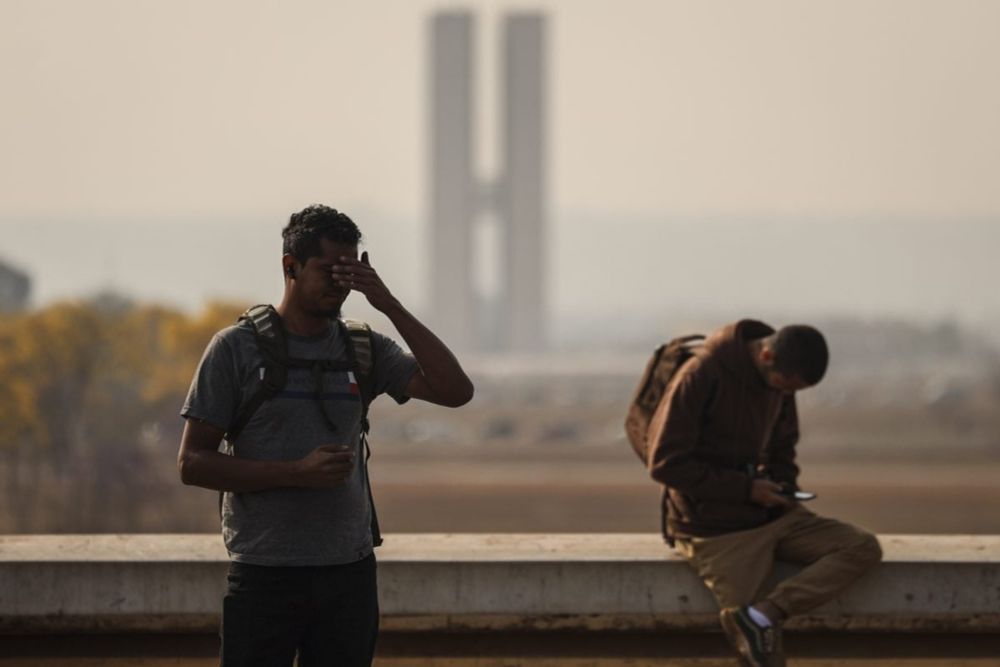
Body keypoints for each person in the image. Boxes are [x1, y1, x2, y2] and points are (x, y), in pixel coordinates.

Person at [177, 204, 474, 667]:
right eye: (328, 270)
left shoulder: (363, 348)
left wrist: (389, 305)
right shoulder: (235, 349)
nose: (341, 283)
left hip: (347, 577)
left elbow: (456, 391)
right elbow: (192, 463)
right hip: (264, 575)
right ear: (289, 267)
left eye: (349, 270)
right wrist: (295, 472)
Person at [647, 320, 881, 667]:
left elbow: (783, 446)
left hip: (769, 514)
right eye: (785, 386)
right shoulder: (700, 373)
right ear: (766, 354)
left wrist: (783, 487)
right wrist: (746, 489)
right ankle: (753, 621)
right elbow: (665, 464)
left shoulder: (780, 385)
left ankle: (765, 613)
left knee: (860, 547)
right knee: (762, 654)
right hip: (712, 528)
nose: (787, 396)